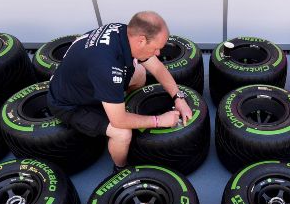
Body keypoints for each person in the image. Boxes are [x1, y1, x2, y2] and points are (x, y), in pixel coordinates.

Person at [47, 11, 193, 172]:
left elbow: (157, 67)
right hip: (70, 104)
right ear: (141, 40)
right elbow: (119, 121)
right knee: (122, 133)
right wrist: (159, 120)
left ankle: (116, 104)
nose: (158, 53)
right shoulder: (106, 67)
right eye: (156, 48)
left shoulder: (125, 32)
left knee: (139, 73)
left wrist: (178, 98)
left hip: (86, 82)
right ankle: (120, 168)